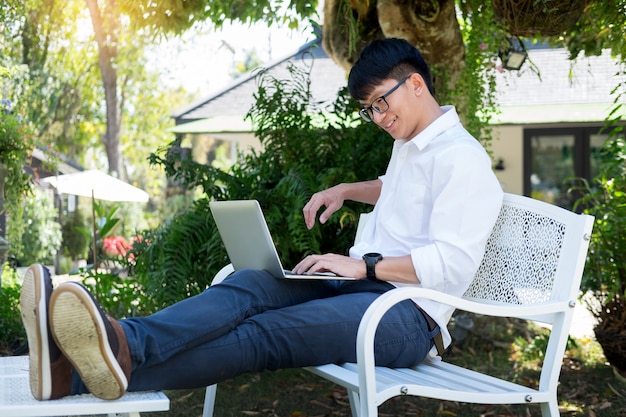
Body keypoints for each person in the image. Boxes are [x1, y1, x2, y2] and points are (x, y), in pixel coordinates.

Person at [20, 38, 504, 402]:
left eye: (381, 102)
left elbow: (452, 262)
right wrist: (346, 191)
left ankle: (80, 370)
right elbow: (396, 188)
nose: (377, 116)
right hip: (364, 291)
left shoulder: (463, 160)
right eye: (369, 109)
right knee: (253, 284)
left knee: (263, 335)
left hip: (406, 318)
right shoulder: (412, 146)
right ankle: (123, 341)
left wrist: (366, 266)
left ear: (415, 84)